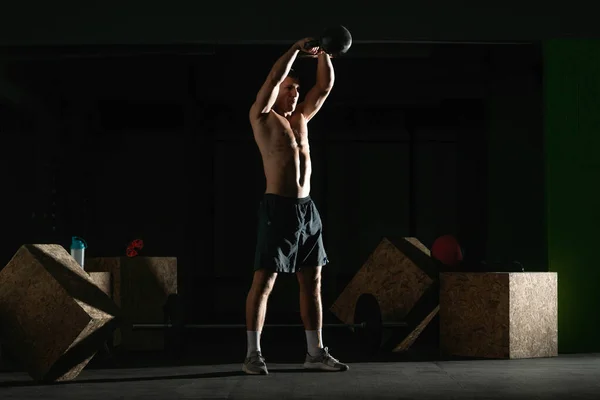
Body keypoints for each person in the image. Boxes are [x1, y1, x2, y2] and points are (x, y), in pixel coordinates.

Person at [243, 37, 349, 375]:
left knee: (313, 281)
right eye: (289, 88)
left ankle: (315, 353)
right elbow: (274, 78)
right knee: (265, 280)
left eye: (295, 89)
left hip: (307, 211)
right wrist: (295, 50)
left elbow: (325, 86)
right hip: (279, 208)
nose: (293, 93)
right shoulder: (261, 117)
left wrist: (326, 54)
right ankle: (252, 354)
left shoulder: (302, 117)